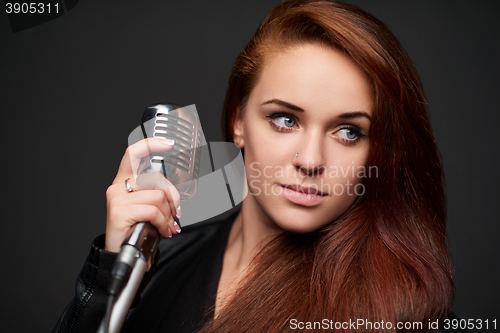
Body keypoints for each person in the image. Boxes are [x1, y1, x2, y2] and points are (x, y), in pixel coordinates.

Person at [53, 1, 460, 332]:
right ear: (238, 122)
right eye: (285, 119)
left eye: (349, 132)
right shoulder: (168, 256)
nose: (311, 161)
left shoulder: (395, 309)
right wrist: (112, 270)